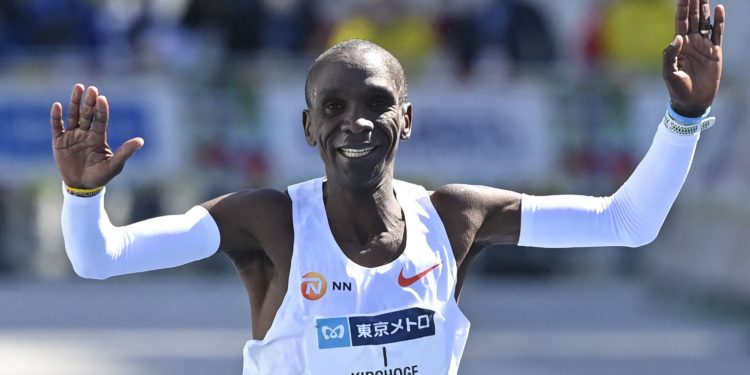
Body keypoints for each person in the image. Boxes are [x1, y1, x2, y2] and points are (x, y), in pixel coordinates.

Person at [50, 1, 725, 374]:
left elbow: (625, 222)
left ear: (407, 119)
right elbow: (99, 257)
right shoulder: (268, 222)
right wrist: (84, 198)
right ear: (309, 126)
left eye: (375, 103)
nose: (356, 123)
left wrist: (684, 118)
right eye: (334, 109)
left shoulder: (455, 219)